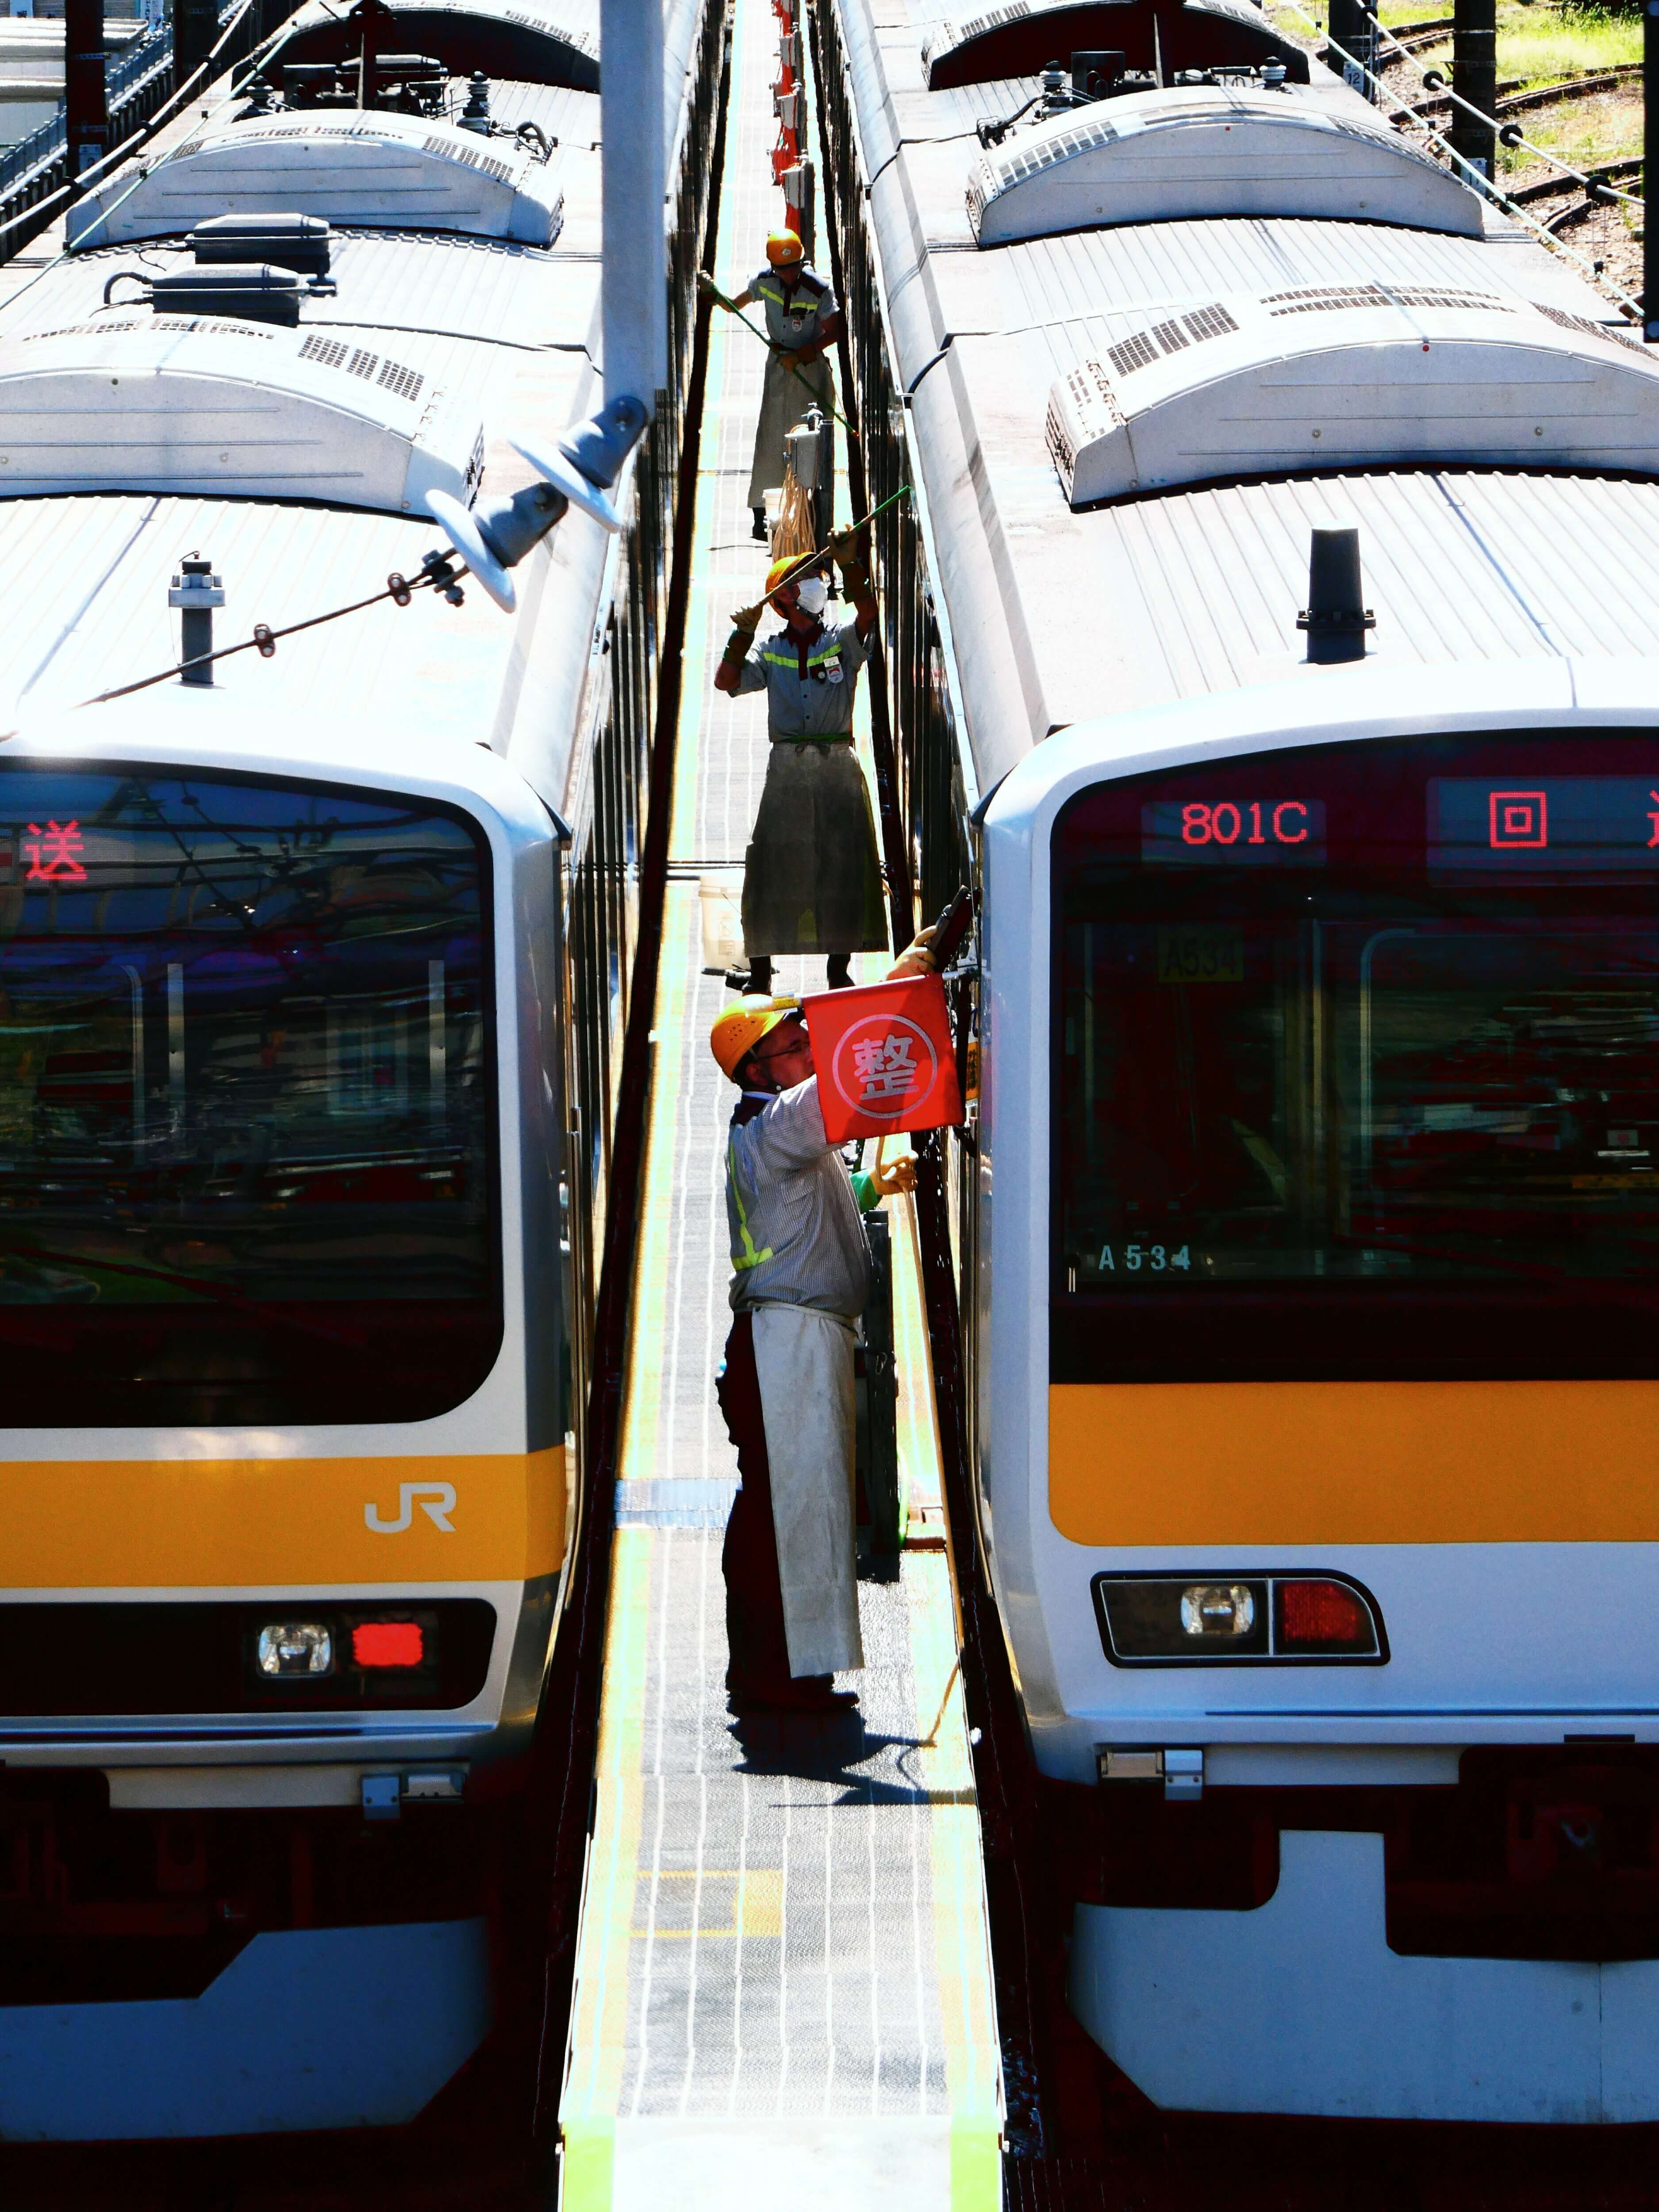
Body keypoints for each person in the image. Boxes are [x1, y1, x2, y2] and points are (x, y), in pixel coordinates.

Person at [710, 962, 931, 1715]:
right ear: (759, 1069)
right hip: (788, 1343)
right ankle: (778, 1680)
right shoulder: (779, 1123)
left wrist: (871, 1187)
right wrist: (903, 983)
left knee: (786, 1510)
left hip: (789, 1340)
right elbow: (854, 1075)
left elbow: (800, 1216)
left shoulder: (768, 1132)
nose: (810, 1048)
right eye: (796, 1044)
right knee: (790, 1516)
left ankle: (779, 1673)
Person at [716, 534, 886, 995]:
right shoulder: (770, 650)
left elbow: (867, 614)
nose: (819, 583)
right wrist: (741, 634)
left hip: (837, 764)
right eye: (808, 578)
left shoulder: (841, 641)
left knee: (842, 863)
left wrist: (852, 566)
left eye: (818, 575)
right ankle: (760, 973)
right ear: (786, 598)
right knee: (770, 865)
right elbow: (725, 681)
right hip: (787, 767)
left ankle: (838, 969)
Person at [702, 231, 841, 541]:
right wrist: (714, 295)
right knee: (771, 437)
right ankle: (762, 513)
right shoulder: (764, 282)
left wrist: (802, 355)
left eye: (793, 268)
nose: (788, 275)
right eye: (782, 269)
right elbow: (734, 305)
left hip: (809, 371)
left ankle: (808, 512)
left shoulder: (818, 290)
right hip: (779, 368)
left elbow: (834, 331)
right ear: (773, 267)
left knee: (808, 440)